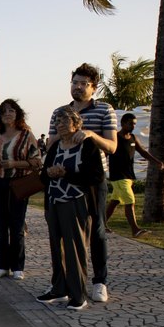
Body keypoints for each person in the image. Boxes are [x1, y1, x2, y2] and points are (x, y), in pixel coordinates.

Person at [48, 63, 117, 303]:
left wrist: (90, 134)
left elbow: (112, 147)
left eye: (83, 83)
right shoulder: (59, 112)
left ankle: (100, 281)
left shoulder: (104, 110)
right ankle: (66, 281)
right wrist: (63, 132)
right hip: (63, 182)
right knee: (64, 233)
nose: (77, 87)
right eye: (74, 82)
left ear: (93, 87)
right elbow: (50, 144)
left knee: (96, 227)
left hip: (92, 180)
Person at [37, 106, 105, 310]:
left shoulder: (87, 144)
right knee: (56, 247)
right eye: (57, 121)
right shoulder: (56, 146)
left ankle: (78, 294)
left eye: (64, 121)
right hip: (54, 201)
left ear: (76, 124)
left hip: (76, 202)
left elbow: (96, 176)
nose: (59, 125)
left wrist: (65, 173)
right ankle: (59, 288)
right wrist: (49, 173)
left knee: (74, 248)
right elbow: (42, 176)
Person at [0, 99, 41, 280]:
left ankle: (18, 266)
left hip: (19, 183)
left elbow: (36, 161)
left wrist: (14, 163)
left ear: (17, 114)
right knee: (0, 225)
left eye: (11, 111)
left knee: (17, 224)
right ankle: (2, 265)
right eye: (4, 112)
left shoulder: (27, 135)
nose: (7, 114)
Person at [105, 113, 164, 237]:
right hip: (118, 176)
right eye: (130, 123)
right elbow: (105, 153)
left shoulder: (133, 138)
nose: (133, 126)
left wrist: (156, 162)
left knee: (114, 201)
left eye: (134, 124)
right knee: (130, 201)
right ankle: (135, 230)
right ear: (123, 123)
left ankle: (101, 225)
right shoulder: (115, 138)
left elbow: (142, 152)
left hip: (128, 175)